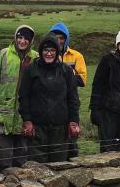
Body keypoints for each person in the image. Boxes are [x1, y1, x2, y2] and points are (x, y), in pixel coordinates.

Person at [18, 32, 81, 163]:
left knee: (59, 166)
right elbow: (24, 97)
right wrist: (27, 120)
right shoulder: (31, 70)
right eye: (46, 50)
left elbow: (73, 98)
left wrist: (74, 121)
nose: (49, 54)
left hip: (61, 129)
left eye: (52, 50)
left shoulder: (66, 71)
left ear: (57, 52)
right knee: (37, 167)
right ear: (41, 52)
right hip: (37, 128)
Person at [0, 25, 38, 171]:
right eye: (19, 37)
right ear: (15, 37)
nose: (22, 41)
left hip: (25, 114)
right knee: (3, 156)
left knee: (22, 157)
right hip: (3, 114)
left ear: (31, 41)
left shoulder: (35, 57)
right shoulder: (3, 54)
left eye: (26, 39)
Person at [49, 21, 87, 157]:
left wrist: (62, 77)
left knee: (71, 139)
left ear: (67, 39)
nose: (58, 41)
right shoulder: (46, 54)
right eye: (56, 37)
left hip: (70, 102)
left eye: (62, 38)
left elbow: (82, 80)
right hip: (50, 103)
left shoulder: (77, 56)